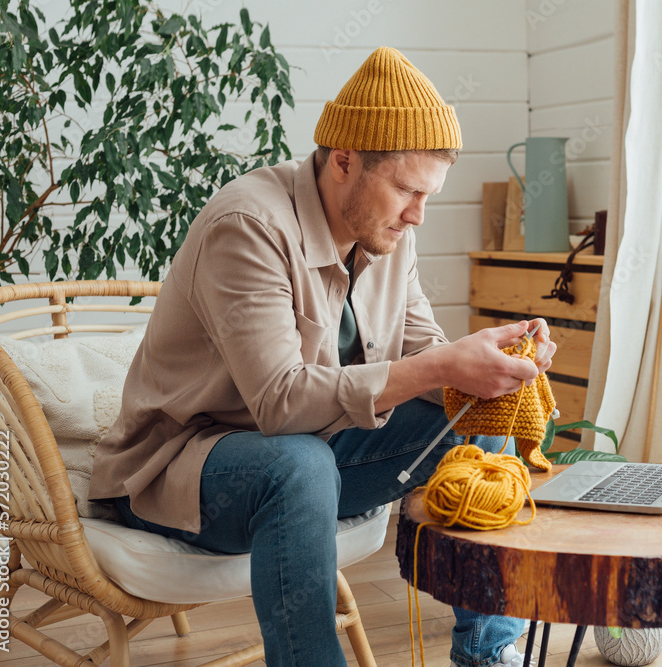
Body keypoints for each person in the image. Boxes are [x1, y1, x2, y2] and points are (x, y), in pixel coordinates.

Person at [89, 46, 556, 667]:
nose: (418, 215)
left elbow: (423, 352)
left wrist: (485, 368)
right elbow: (281, 405)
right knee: (300, 464)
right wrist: (444, 368)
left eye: (429, 196)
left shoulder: (389, 234)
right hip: (183, 468)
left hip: (317, 451)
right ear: (343, 162)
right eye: (407, 191)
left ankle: (490, 655)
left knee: (479, 421)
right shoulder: (249, 225)